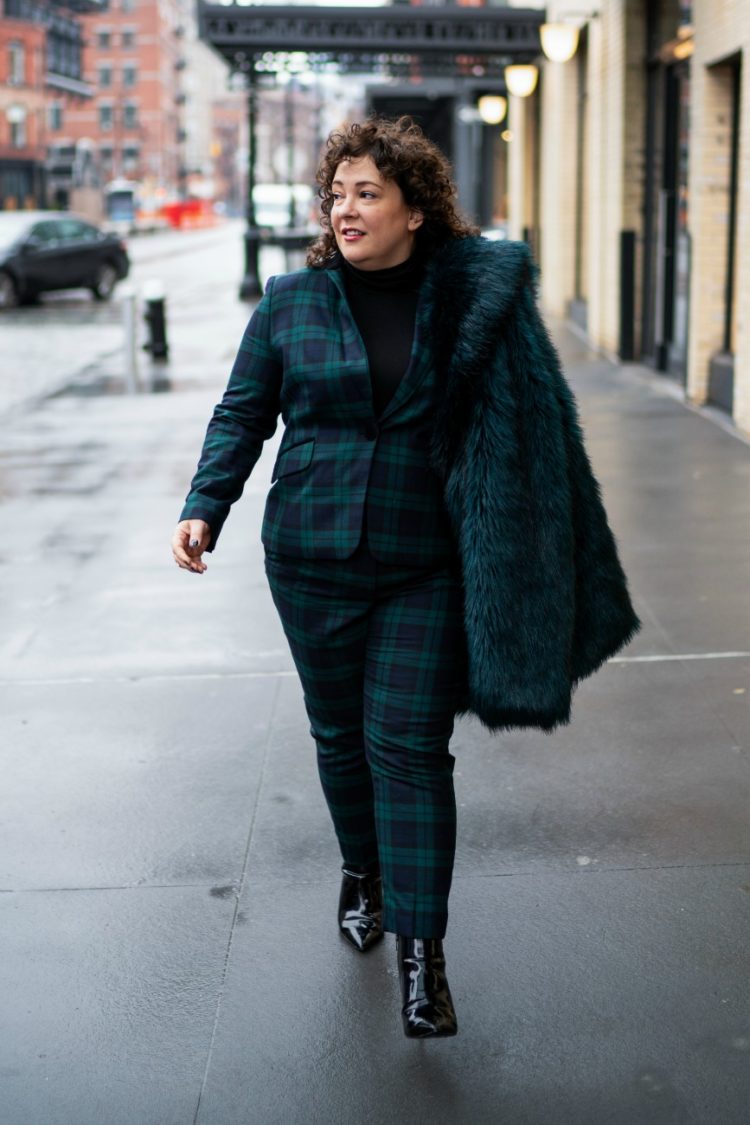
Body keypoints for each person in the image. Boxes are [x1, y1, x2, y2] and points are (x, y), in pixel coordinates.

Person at [171, 116, 641, 1039]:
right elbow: (242, 413)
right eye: (336, 193)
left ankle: (423, 957)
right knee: (339, 736)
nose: (344, 209)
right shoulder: (290, 301)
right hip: (308, 555)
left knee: (411, 749)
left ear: (417, 209)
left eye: (366, 193)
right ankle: (363, 871)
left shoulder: (464, 304)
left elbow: (527, 425)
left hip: (424, 560)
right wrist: (204, 503)